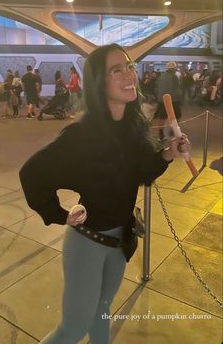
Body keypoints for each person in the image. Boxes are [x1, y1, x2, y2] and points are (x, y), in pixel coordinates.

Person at [19, 44, 190, 344]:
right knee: (72, 329)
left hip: (120, 240)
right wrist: (59, 214)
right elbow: (32, 175)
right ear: (99, 82)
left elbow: (141, 172)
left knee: (102, 309)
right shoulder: (80, 136)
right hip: (87, 243)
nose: (129, 74)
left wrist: (166, 154)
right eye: (116, 70)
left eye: (128, 66)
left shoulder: (132, 127)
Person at [155, 61, 182, 140]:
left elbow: (157, 87)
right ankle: (173, 130)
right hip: (173, 100)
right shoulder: (175, 76)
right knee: (177, 115)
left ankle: (161, 134)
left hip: (162, 99)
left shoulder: (161, 76)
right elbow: (177, 89)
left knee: (162, 117)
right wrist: (180, 99)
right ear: (174, 68)